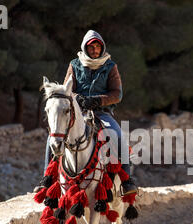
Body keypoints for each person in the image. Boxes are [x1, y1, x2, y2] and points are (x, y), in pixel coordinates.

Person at [36, 30, 137, 195]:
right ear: (85, 48)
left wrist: (97, 100)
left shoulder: (111, 66)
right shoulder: (74, 64)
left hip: (102, 113)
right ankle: (46, 179)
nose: (95, 50)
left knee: (118, 134)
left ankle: (127, 181)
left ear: (102, 48)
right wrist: (79, 98)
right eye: (92, 47)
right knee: (52, 137)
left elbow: (117, 94)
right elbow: (65, 89)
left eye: (98, 47)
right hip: (77, 111)